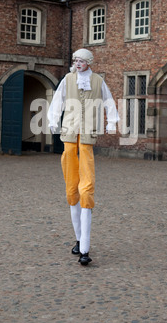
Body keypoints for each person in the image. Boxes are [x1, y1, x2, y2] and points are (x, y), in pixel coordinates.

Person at [47, 48, 119, 265]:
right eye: (75, 60)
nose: (78, 63)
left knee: (86, 186)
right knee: (71, 184)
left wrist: (111, 122)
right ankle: (79, 240)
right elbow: (57, 100)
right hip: (69, 131)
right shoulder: (68, 80)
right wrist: (52, 120)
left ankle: (84, 248)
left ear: (88, 62)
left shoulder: (98, 81)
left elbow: (109, 101)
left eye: (81, 60)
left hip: (87, 133)